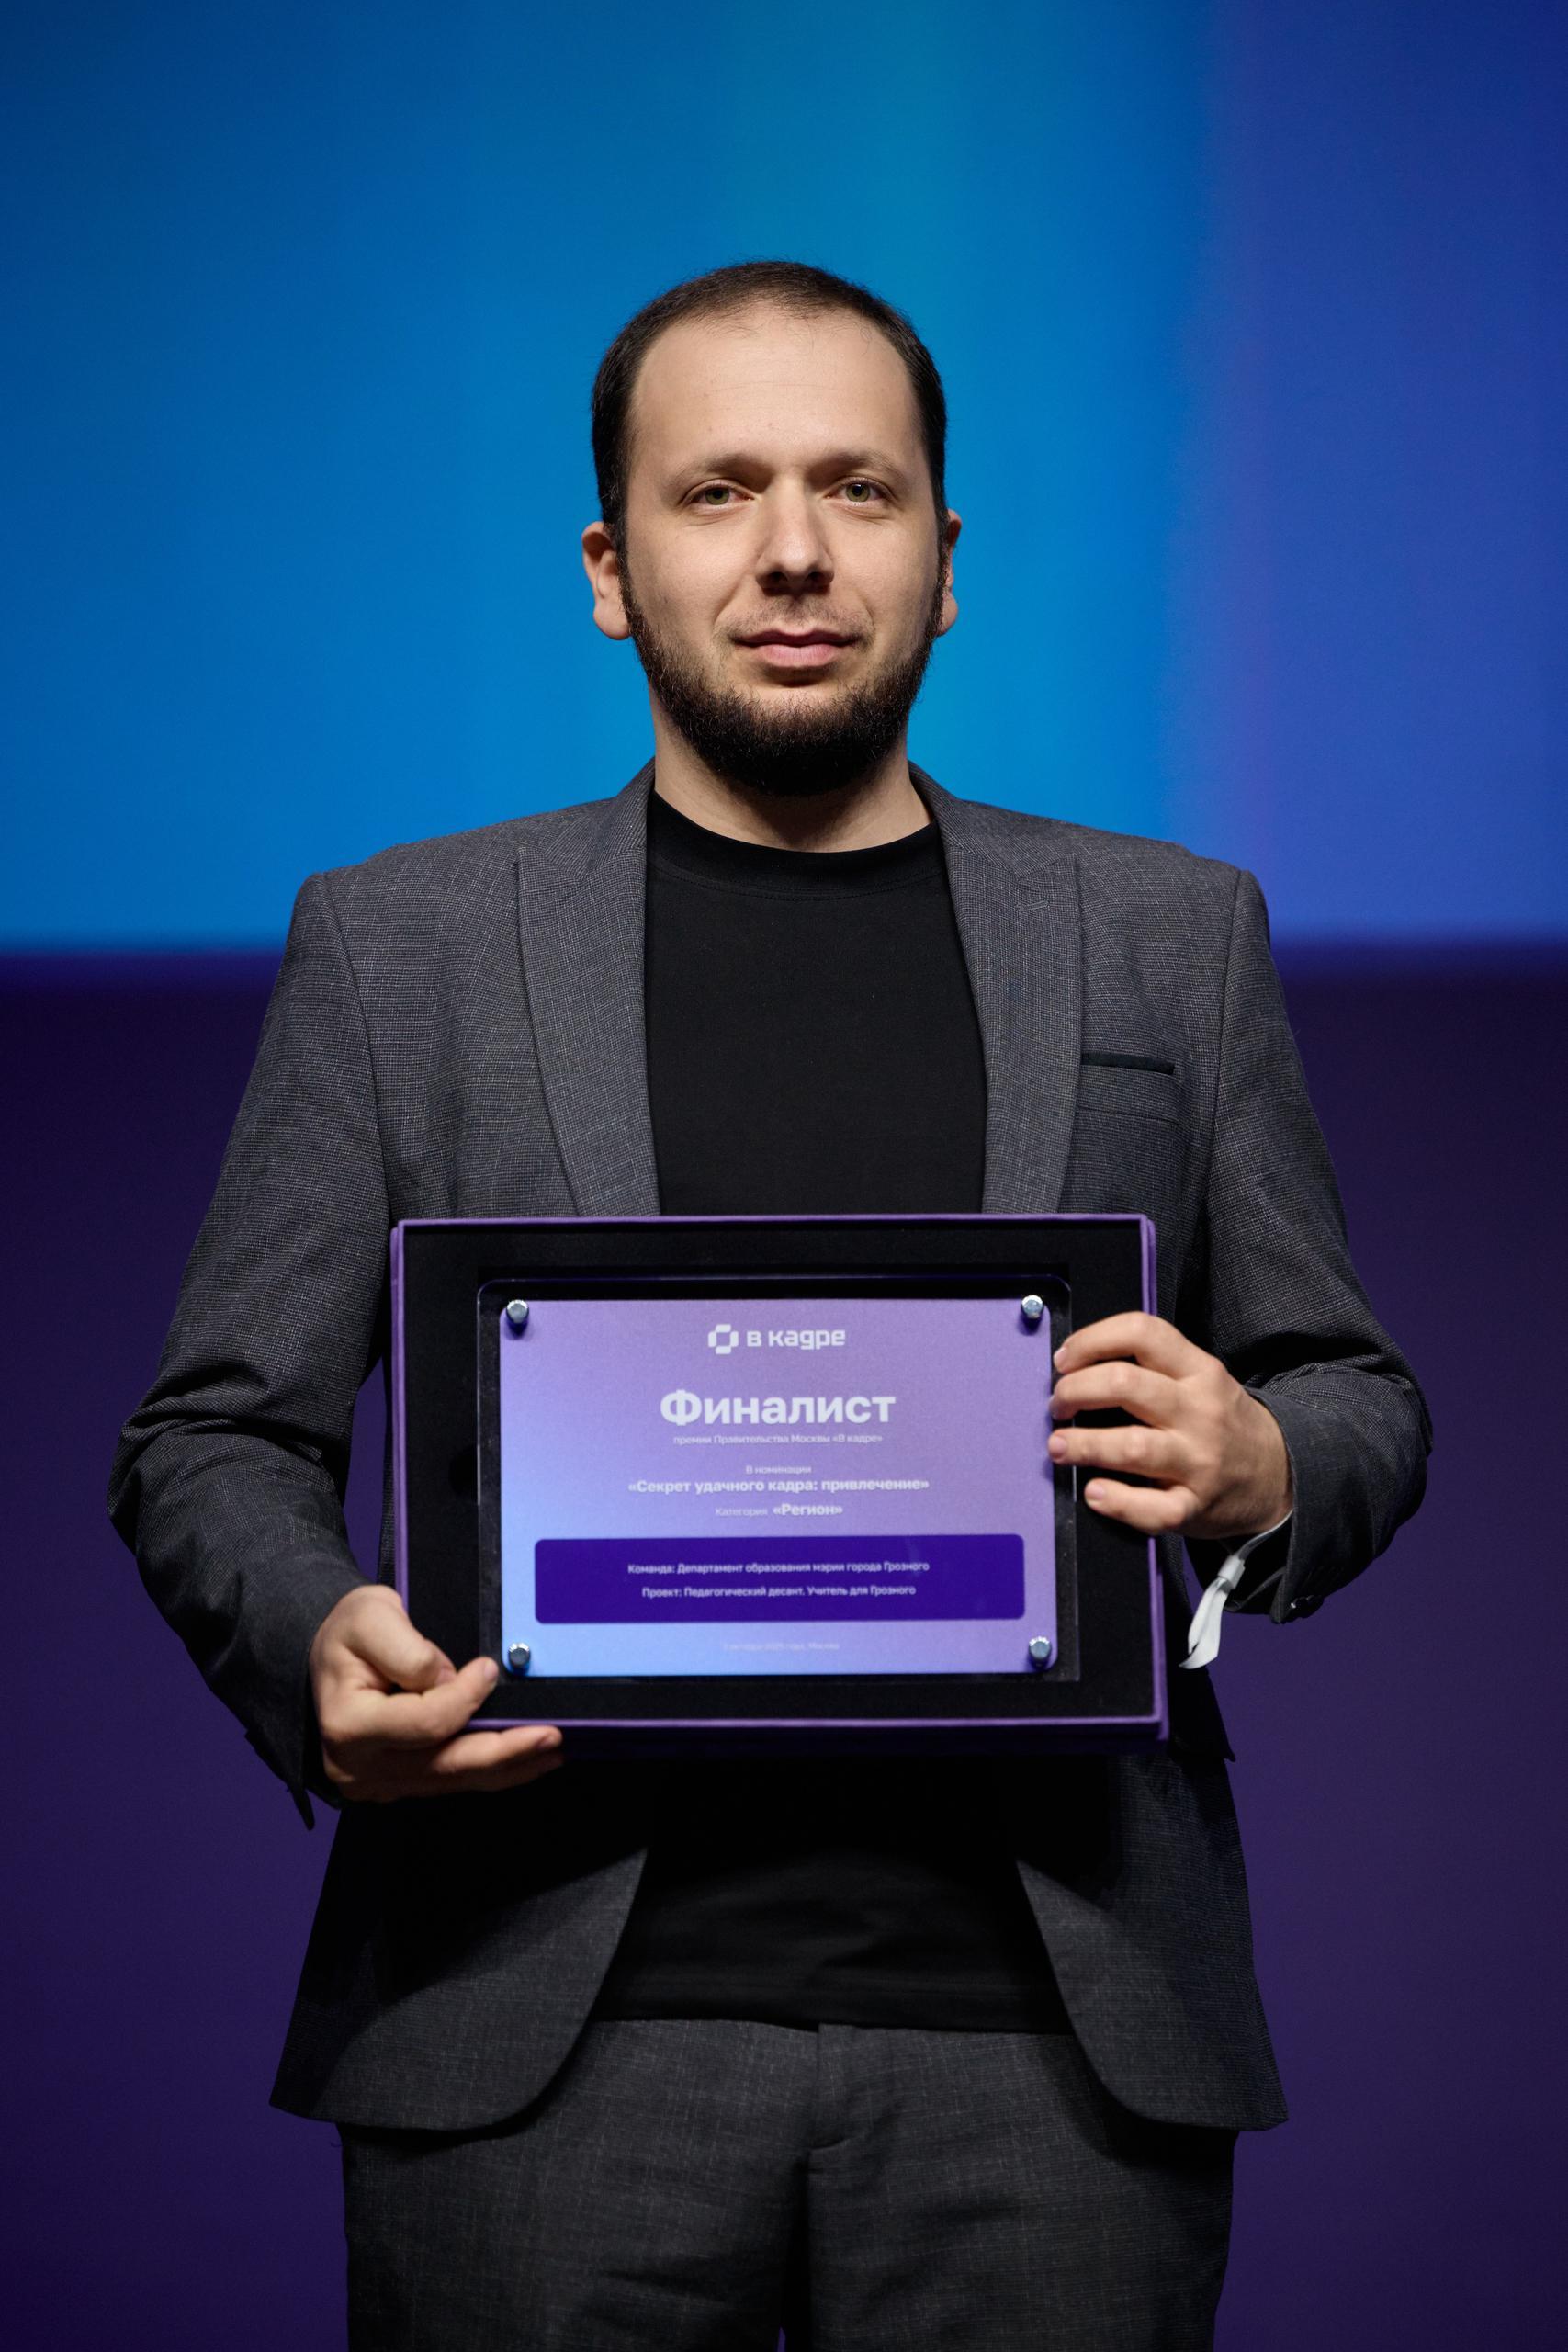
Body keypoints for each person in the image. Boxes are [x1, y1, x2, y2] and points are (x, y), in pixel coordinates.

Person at [109, 260, 1429, 2351]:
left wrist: (1267, 1460)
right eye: (717, 490)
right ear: (610, 569)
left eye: (856, 488)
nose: (793, 550)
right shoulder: (398, 945)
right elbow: (212, 1434)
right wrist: (311, 1637)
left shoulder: (1168, 937)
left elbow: (1347, 1387)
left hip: (1056, 2050)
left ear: (944, 561)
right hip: (534, 2037)